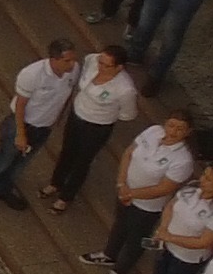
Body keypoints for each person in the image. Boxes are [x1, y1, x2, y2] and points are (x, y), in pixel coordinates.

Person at [88, 115, 197, 274]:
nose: (173, 131)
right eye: (171, 125)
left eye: (180, 129)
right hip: (125, 192)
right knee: (119, 224)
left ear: (188, 132)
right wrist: (122, 183)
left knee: (137, 240)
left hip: (148, 207)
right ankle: (109, 254)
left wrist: (132, 193)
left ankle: (119, 272)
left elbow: (164, 188)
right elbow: (129, 153)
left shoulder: (183, 160)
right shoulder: (153, 131)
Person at [0, 41, 82, 210]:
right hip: (22, 124)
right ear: (54, 59)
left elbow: (67, 92)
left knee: (21, 163)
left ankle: (2, 188)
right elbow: (21, 105)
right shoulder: (32, 74)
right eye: (67, 61)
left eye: (73, 59)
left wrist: (57, 117)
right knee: (4, 159)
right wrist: (20, 134)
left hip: (44, 126)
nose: (72, 64)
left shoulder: (73, 70)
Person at [46, 50, 141, 215]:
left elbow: (128, 114)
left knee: (82, 161)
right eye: (101, 63)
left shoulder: (125, 89)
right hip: (77, 115)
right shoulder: (91, 60)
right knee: (67, 151)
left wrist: (103, 114)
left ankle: (66, 196)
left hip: (97, 126)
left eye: (107, 65)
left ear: (119, 68)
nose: (101, 67)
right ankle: (55, 183)